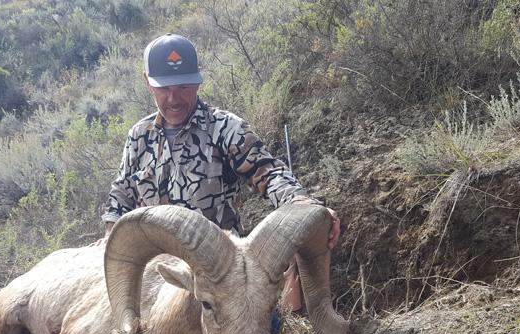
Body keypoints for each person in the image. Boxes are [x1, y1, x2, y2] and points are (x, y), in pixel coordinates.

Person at [95, 33, 340, 315]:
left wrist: (304, 205)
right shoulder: (139, 136)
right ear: (147, 82)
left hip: (221, 274)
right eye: (164, 88)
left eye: (184, 86)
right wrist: (112, 236)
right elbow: (121, 195)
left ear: (198, 81)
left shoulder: (225, 128)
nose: (174, 98)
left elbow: (269, 173)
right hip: (159, 277)